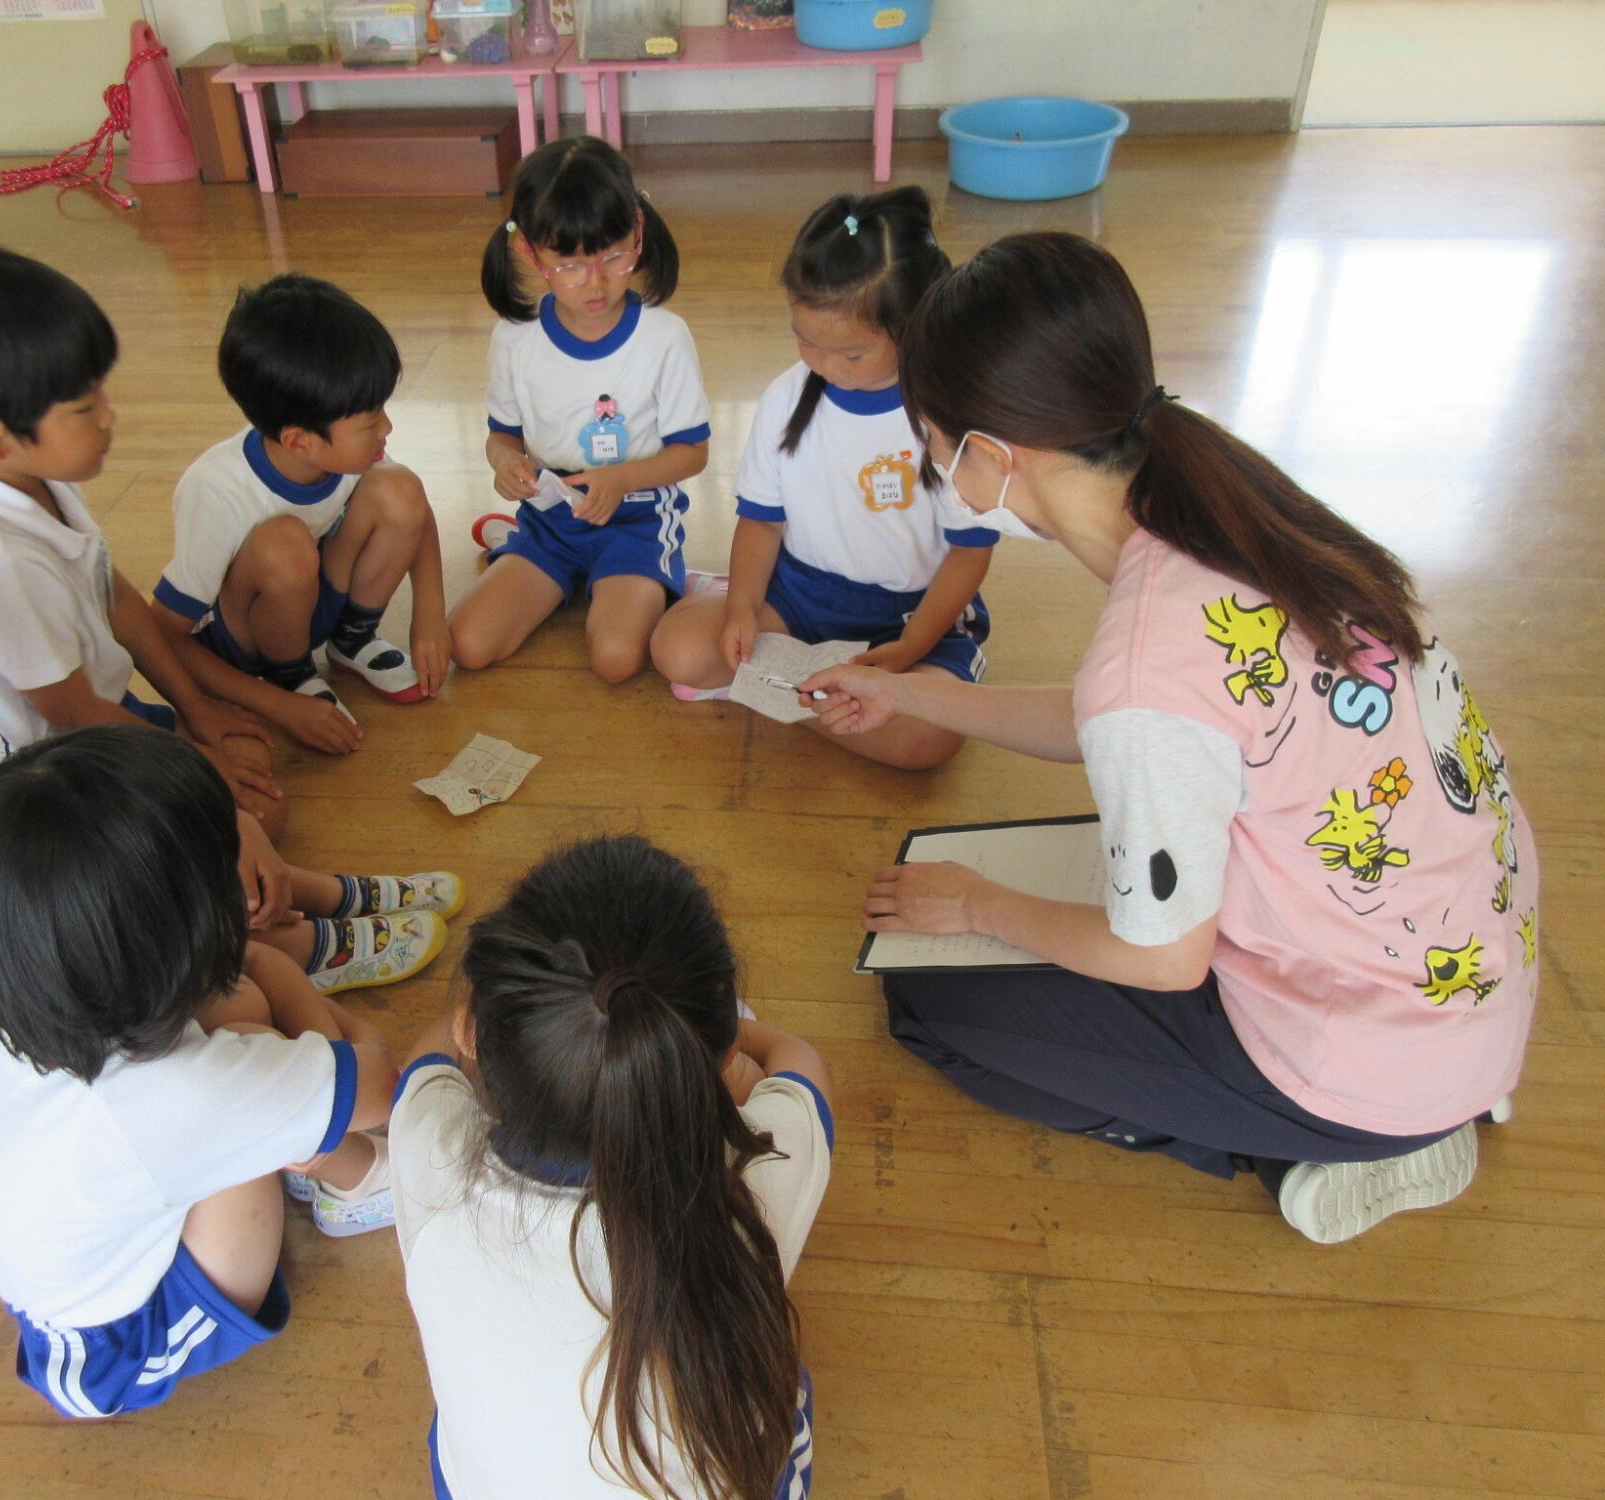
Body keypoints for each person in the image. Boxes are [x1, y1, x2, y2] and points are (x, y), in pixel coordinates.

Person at [803, 231, 1538, 1243]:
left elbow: (1161, 959)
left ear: (983, 455)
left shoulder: (1145, 665)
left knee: (929, 1007)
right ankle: (1394, 1107)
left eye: (925, 433)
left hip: (1367, 1061)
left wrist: (979, 903)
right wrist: (919, 695)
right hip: (1457, 982)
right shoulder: (1223, 502)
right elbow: (1139, 729)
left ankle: (1301, 1147)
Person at [0, 727, 401, 1417]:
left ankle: (311, 1127)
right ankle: (356, 1184)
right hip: (115, 1349)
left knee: (243, 1024)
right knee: (256, 1090)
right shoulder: (173, 1096)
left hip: (89, 1241)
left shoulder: (40, 986)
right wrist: (296, 985)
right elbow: (382, 1089)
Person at [389, 835, 834, 1497]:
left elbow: (428, 1059)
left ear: (472, 1030)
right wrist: (713, 1042)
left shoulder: (428, 1146)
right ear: (706, 1060)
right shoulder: (754, 1181)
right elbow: (803, 1066)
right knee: (781, 1385)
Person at [0, 245, 284, 828]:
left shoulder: (31, 475)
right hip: (50, 772)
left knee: (250, 759)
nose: (108, 416)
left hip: (101, 712)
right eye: (84, 405)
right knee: (258, 815)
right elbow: (69, 712)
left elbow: (114, 596)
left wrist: (195, 709)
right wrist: (197, 760)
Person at [651, 188, 996, 770]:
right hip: (800, 596)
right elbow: (761, 520)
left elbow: (969, 553)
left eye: (851, 355)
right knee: (677, 651)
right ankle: (823, 692)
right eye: (805, 340)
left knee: (925, 743)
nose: (823, 364)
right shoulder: (788, 396)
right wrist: (740, 606)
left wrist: (913, 647)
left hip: (912, 617)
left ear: (912, 325)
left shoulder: (948, 413)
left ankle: (787, 691)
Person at [154, 273, 450, 756]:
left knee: (400, 489)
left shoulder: (348, 455)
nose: (388, 427)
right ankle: (291, 676)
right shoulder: (215, 490)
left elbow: (417, 511)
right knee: (284, 545)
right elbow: (164, 636)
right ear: (299, 441)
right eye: (370, 421)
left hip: (311, 599)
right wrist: (277, 704)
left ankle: (350, 641)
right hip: (245, 642)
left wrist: (430, 614)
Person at [450, 136, 710, 683]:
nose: (595, 281)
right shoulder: (514, 339)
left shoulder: (665, 337)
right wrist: (504, 465)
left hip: (636, 518)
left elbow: (693, 453)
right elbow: (503, 437)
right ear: (531, 254)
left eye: (613, 255)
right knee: (467, 644)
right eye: (569, 265)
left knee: (615, 660)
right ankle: (544, 562)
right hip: (551, 518)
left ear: (639, 231)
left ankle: (655, 584)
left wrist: (622, 478)